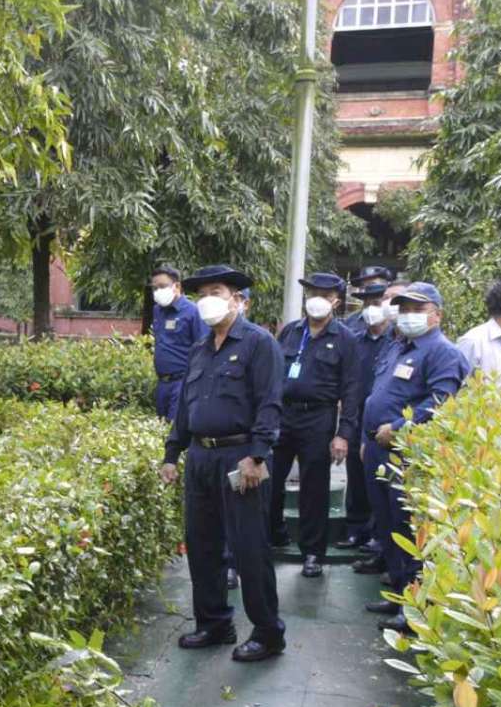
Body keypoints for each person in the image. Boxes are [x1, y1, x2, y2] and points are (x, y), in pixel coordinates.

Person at [159, 264, 285, 662]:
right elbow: (186, 407)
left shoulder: (259, 343)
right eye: (202, 294)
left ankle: (267, 633)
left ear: (239, 300)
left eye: (216, 292)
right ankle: (214, 623)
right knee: (202, 545)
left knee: (249, 548)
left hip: (240, 457)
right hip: (200, 456)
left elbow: (270, 403)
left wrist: (257, 455)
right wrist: (172, 453)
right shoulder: (200, 349)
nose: (207, 300)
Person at [359, 282, 469, 633]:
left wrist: (397, 428)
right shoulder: (397, 346)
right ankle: (399, 594)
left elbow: (439, 402)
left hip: (407, 452)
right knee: (387, 525)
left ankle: (416, 607)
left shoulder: (443, 352)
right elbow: (379, 393)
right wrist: (366, 437)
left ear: (437, 315)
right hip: (377, 448)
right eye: (404, 309)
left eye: (418, 310)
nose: (409, 316)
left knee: (408, 527)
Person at [269, 273, 362, 578]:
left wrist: (343, 434)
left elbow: (352, 389)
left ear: (336, 300)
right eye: (313, 293)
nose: (317, 299)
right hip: (283, 414)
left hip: (318, 418)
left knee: (314, 487)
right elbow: (272, 375)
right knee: (270, 478)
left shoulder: (345, 339)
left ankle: (312, 552)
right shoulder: (290, 332)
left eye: (325, 294)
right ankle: (273, 533)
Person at [340, 278, 401, 556]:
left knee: (382, 478)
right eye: (366, 304)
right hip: (358, 414)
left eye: (376, 303)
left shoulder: (394, 342)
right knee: (356, 471)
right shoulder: (355, 340)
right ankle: (355, 529)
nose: (371, 309)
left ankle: (377, 534)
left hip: (387, 420)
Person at [148, 266, 210, 422]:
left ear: (177, 286)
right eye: (155, 288)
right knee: (160, 428)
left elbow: (204, 349)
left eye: (162, 286)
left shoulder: (193, 312)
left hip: (182, 382)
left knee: (174, 428)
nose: (158, 291)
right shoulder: (157, 311)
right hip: (162, 383)